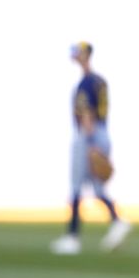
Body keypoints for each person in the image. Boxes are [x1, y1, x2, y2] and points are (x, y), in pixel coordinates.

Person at [50, 41, 131, 255]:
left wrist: (90, 144)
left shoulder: (85, 84)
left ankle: (72, 238)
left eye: (78, 53)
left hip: (90, 136)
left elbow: (87, 115)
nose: (75, 55)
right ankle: (117, 221)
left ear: (85, 55)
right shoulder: (99, 81)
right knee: (97, 188)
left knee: (76, 187)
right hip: (102, 132)